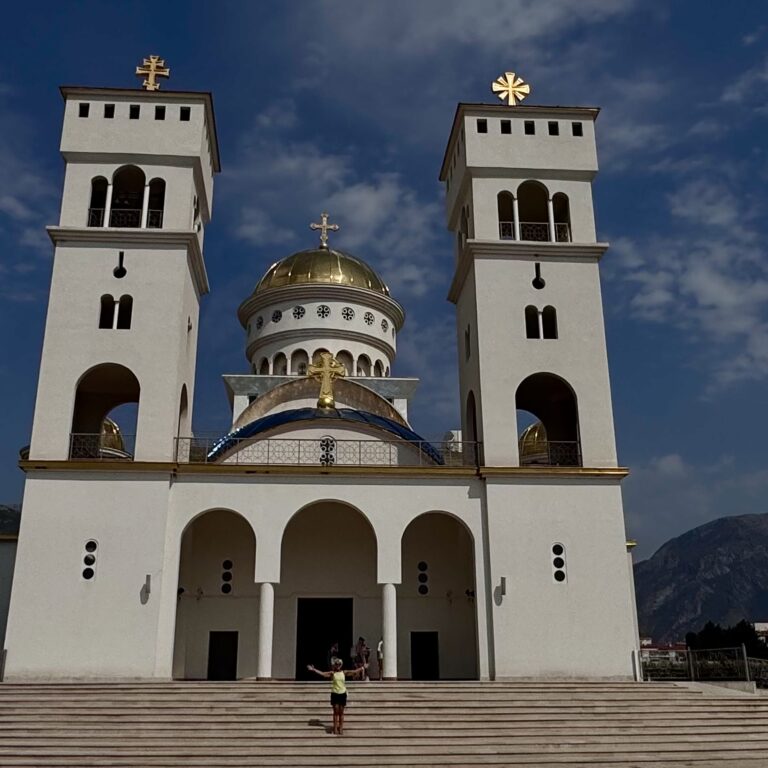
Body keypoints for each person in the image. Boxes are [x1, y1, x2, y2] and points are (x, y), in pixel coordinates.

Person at [308, 659, 364, 735]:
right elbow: (323, 674)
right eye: (336, 664)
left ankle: (340, 728)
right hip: (335, 693)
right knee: (335, 712)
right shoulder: (332, 673)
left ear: (341, 665)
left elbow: (354, 672)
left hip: (342, 693)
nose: (338, 666)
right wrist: (314, 669)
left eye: (339, 664)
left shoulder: (344, 672)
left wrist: (362, 668)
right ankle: (335, 728)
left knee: (341, 712)